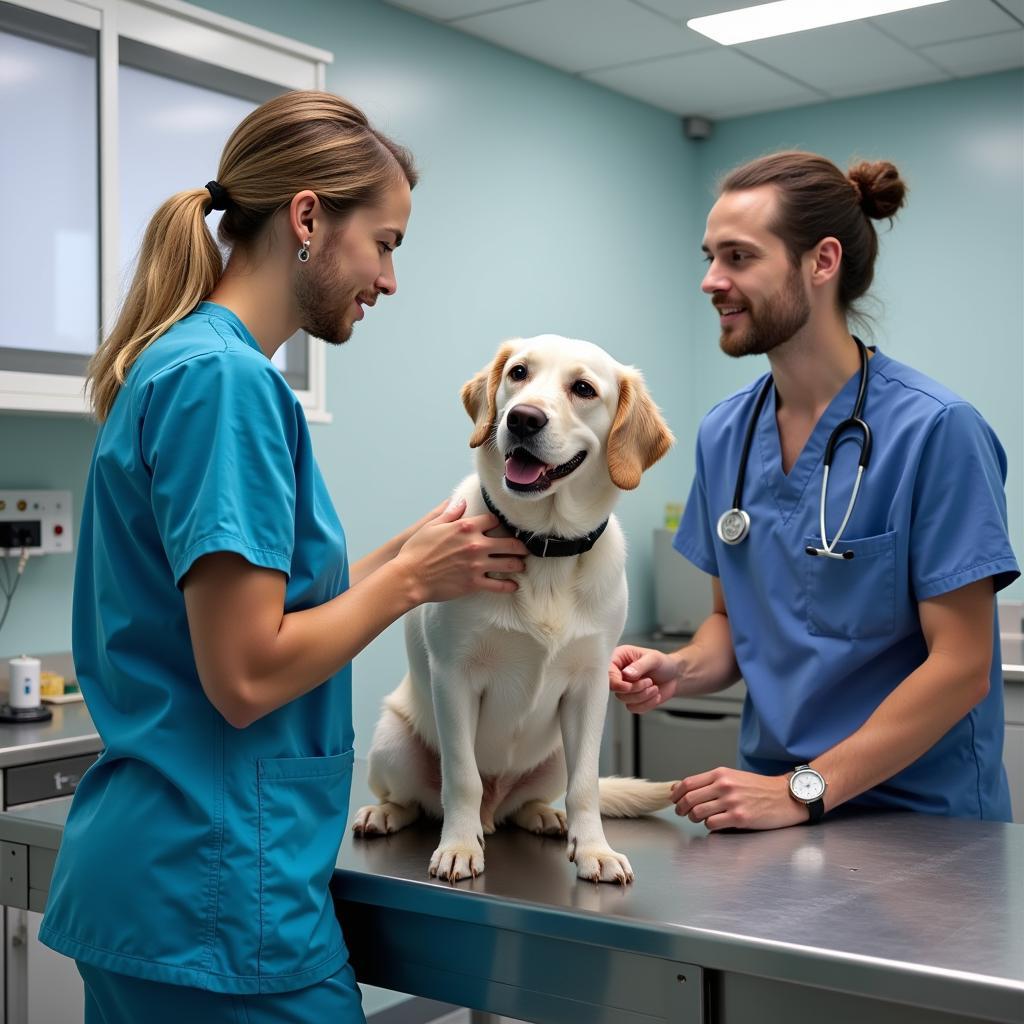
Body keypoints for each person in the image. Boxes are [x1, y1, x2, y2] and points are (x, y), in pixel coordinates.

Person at [38, 90, 528, 1023]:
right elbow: (248, 674)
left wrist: (426, 548)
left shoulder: (182, 364)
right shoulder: (226, 384)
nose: (388, 280)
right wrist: (408, 583)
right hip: (219, 898)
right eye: (384, 244)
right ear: (308, 217)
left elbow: (274, 601)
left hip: (176, 883)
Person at [609, 151, 1019, 831]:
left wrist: (804, 789)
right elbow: (732, 626)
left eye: (739, 257)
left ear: (821, 262)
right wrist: (678, 668)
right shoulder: (725, 435)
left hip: (922, 822)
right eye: (710, 257)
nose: (712, 281)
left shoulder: (937, 431)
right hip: (771, 808)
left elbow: (962, 667)